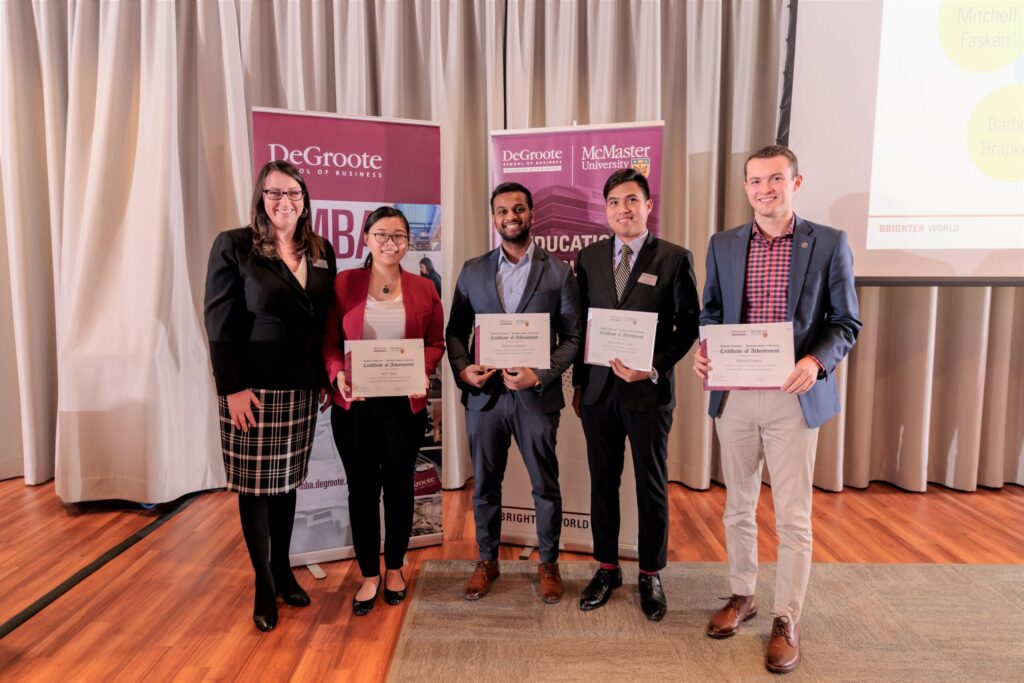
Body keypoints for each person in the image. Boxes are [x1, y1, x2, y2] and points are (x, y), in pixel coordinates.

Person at [694, 145, 861, 673]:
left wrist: (816, 361)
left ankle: (787, 618)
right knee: (738, 506)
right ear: (745, 187)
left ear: (796, 182)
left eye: (775, 179)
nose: (764, 189)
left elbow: (846, 322)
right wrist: (705, 353)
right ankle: (743, 595)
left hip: (794, 393)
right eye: (755, 181)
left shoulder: (829, 243)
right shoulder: (722, 243)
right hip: (737, 396)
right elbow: (712, 313)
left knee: (793, 516)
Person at [204, 159, 336, 632]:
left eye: (293, 193)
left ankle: (283, 567)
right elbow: (219, 323)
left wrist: (324, 376)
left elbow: (323, 321)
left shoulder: (320, 249)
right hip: (252, 390)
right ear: (261, 198)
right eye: (275, 193)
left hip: (301, 387)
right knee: (256, 490)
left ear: (305, 199)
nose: (285, 202)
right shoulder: (235, 246)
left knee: (287, 485)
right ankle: (263, 581)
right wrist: (232, 387)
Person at [572, 168, 700, 622]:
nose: (622, 209)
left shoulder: (674, 258)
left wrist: (656, 366)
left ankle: (650, 572)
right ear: (604, 210)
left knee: (650, 484)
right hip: (599, 393)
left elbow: (688, 327)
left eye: (631, 200)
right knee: (602, 482)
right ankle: (607, 568)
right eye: (613, 202)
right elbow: (579, 325)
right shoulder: (587, 259)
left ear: (648, 206)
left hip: (647, 392)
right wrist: (580, 385)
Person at [445, 181, 582, 604]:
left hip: (535, 398)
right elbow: (455, 332)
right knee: (485, 484)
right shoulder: (472, 270)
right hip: (485, 399)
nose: (510, 217)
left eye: (518, 209)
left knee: (545, 484)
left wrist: (540, 374)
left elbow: (573, 337)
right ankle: (487, 560)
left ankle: (548, 563)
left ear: (532, 214)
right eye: (502, 211)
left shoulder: (559, 271)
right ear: (493, 218)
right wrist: (464, 369)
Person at [322, 206, 445, 616]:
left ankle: (394, 567)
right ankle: (368, 575)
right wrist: (337, 373)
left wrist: (423, 370)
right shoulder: (345, 283)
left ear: (408, 242)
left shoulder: (425, 288)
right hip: (355, 406)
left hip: (403, 406)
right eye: (382, 235)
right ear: (365, 239)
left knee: (398, 486)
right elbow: (328, 343)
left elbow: (436, 342)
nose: (390, 243)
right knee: (361, 489)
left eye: (399, 236)